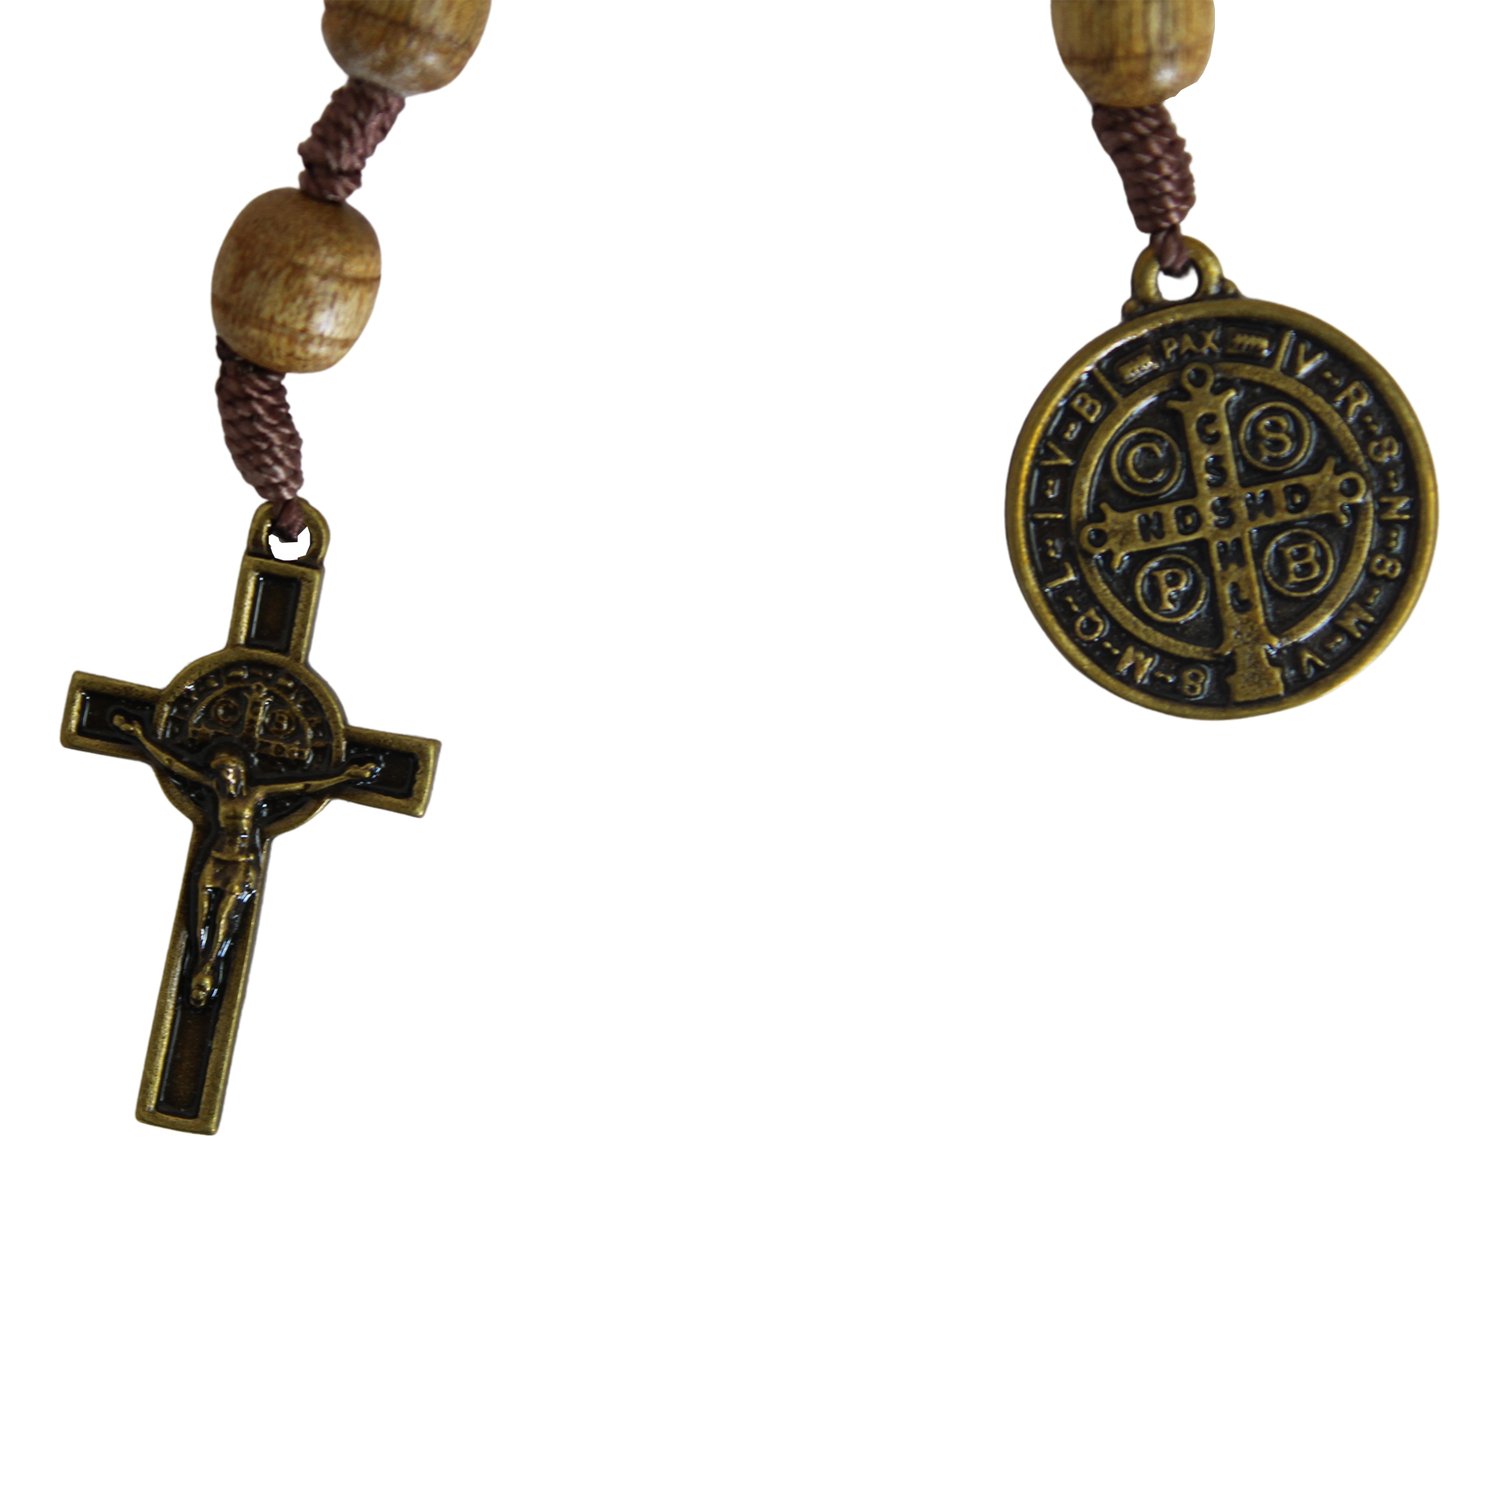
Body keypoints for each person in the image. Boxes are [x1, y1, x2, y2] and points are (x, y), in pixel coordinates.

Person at [112, 714, 376, 1005]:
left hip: (241, 863)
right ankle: (199, 961)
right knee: (199, 915)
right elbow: (174, 765)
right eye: (219, 772)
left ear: (238, 771)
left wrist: (346, 776)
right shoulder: (216, 791)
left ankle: (209, 966)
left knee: (225, 917)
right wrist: (139, 736)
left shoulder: (256, 794)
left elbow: (304, 786)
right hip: (216, 857)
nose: (222, 777)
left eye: (226, 771)